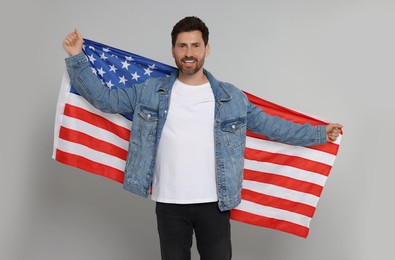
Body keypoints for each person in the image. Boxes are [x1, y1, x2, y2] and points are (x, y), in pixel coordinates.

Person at [63, 16, 342, 260]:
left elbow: (273, 127)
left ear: (206, 49)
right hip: (169, 204)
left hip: (214, 204)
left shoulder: (231, 97)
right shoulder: (150, 91)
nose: (189, 52)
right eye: (182, 45)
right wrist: (77, 56)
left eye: (195, 45)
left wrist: (318, 133)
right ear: (173, 50)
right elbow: (105, 100)